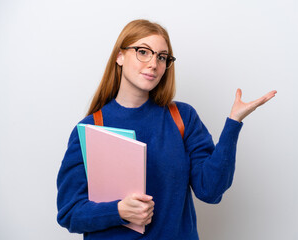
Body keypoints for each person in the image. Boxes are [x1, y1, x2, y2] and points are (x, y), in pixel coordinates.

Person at [56, 19, 277, 239]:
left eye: (161, 57)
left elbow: (210, 190)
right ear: (120, 56)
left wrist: (233, 123)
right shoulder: (90, 128)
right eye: (143, 52)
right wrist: (118, 211)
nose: (153, 63)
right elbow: (69, 213)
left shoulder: (182, 117)